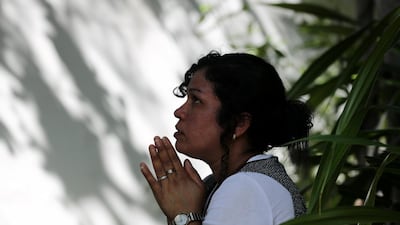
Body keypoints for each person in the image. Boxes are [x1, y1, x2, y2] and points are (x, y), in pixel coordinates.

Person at [140, 51, 313, 225]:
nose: (179, 112)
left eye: (196, 100)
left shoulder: (247, 187)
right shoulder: (217, 185)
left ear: (239, 123)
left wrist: (184, 217)